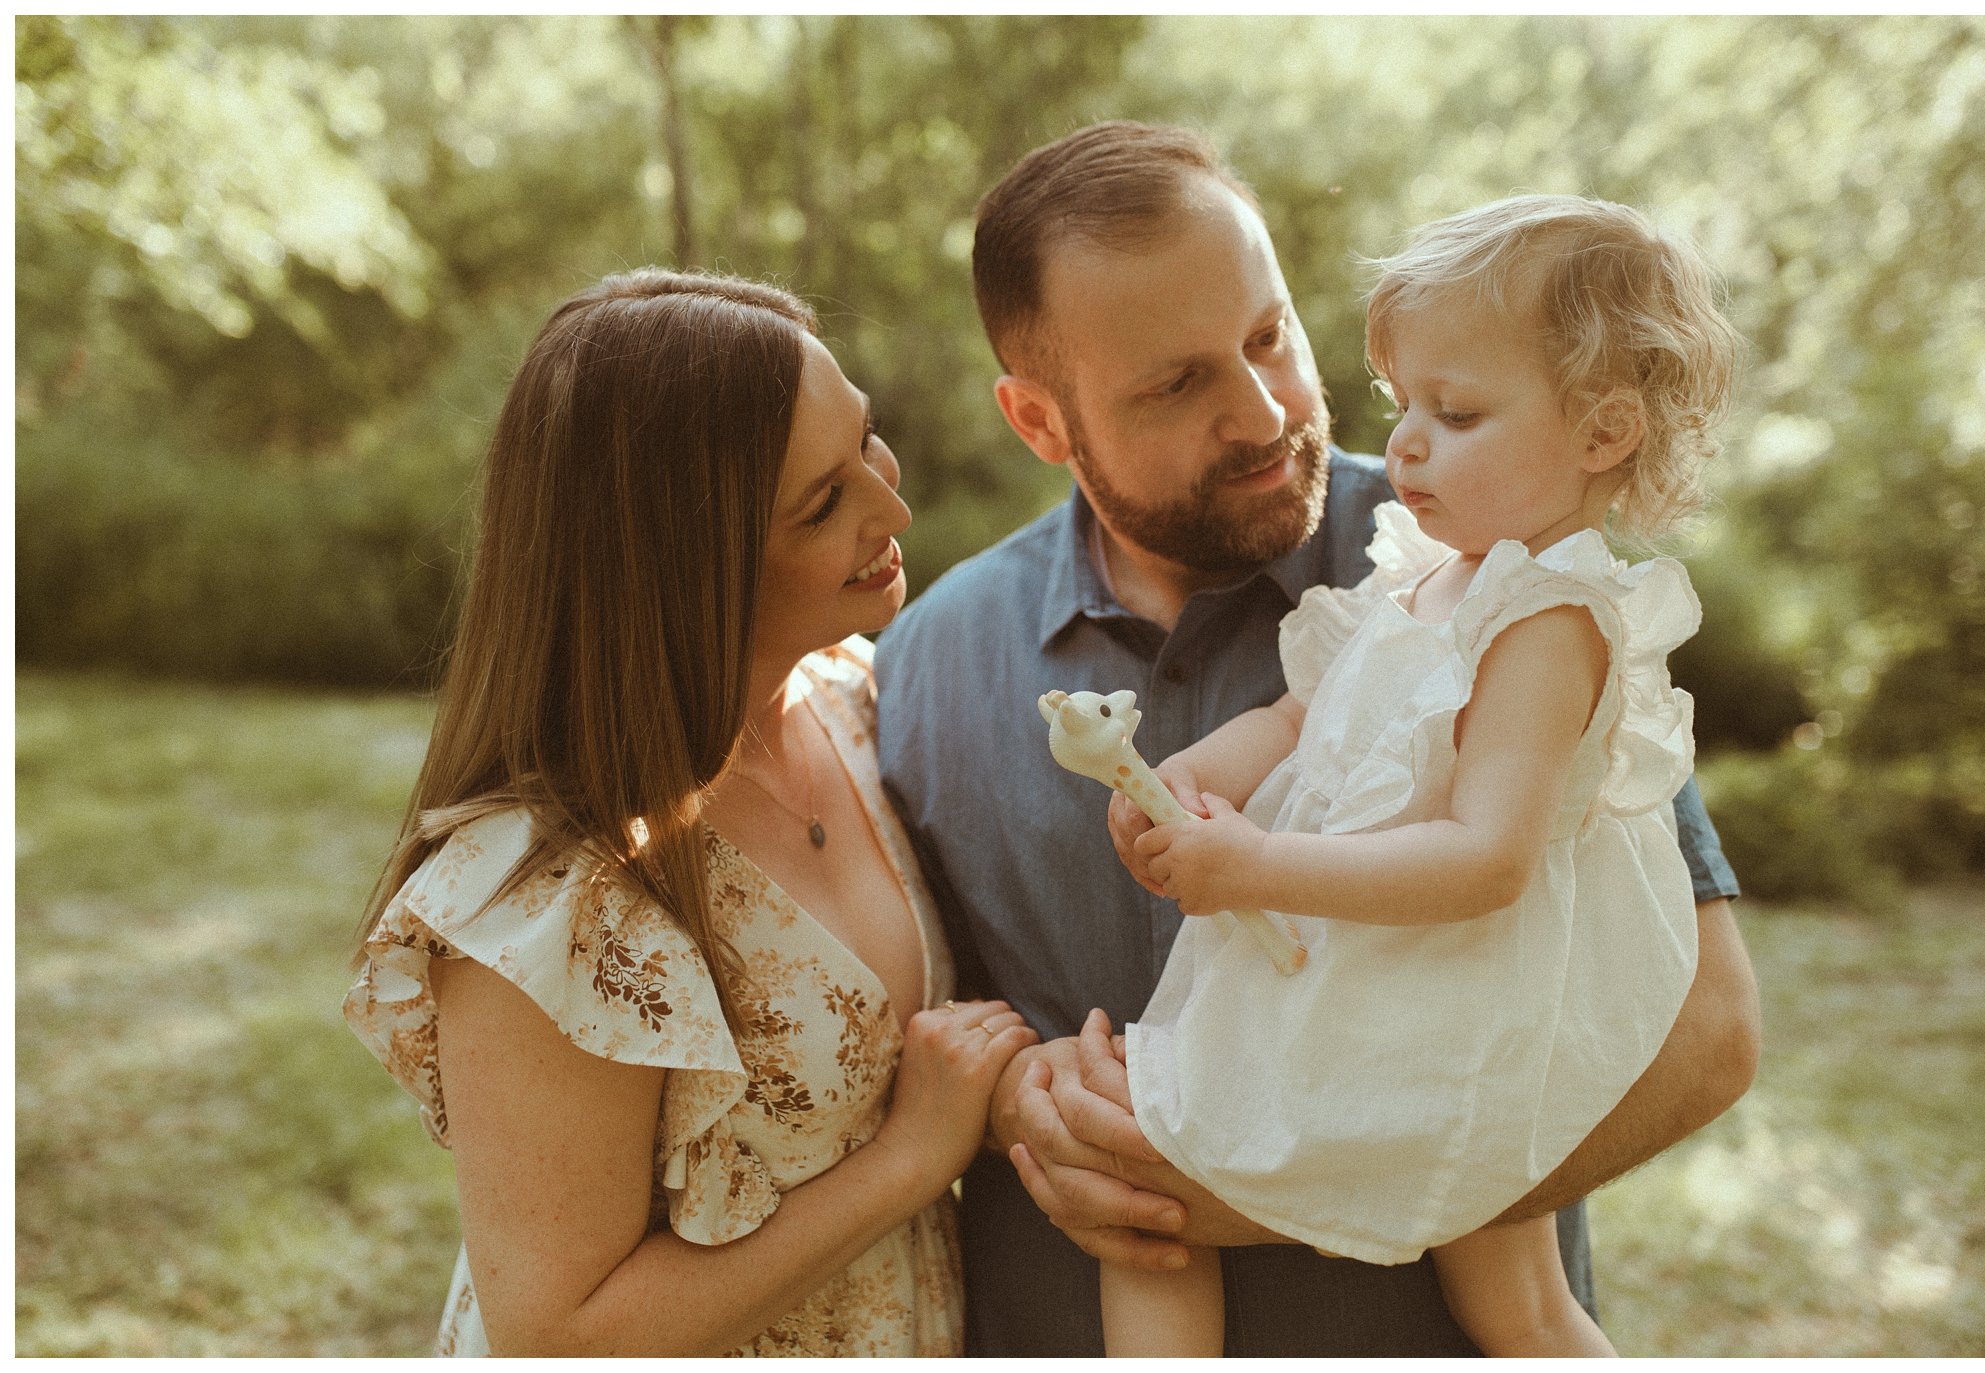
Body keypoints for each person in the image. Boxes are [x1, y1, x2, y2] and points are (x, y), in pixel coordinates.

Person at [876, 122, 1760, 1356]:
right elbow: (904, 1037)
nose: (1259, 410)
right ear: (1039, 420)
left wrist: (1283, 1193)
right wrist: (1020, 1100)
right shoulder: (926, 666)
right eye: (1175, 383)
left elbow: (1710, 1034)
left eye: (1266, 335)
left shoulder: (1498, 555)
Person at [341, 269, 1036, 1356]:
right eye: (822, 502)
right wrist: (908, 1159)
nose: (890, 506)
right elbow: (556, 1334)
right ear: (683, 567)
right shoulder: (549, 894)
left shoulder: (856, 702)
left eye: (866, 439)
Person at [1095, 192, 1742, 1357]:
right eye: (1403, 406)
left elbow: (1486, 855)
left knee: (1162, 1182)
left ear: (1599, 434)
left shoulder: (1544, 617)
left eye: (1453, 411)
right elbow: (1300, 717)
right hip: (1377, 972)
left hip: (1446, 999)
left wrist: (1254, 862)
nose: (1400, 444)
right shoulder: (1424, 572)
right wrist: (1195, 773)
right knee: (1503, 1297)